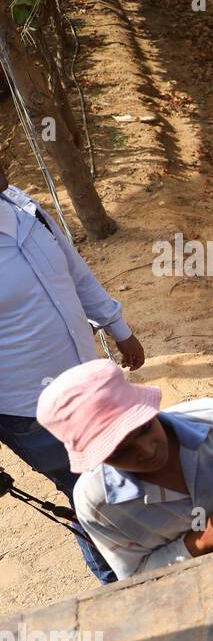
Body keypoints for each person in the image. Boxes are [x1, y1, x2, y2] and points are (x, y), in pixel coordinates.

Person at [0, 164, 145, 584]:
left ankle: (151, 560)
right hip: (31, 411)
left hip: (92, 382)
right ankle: (118, 584)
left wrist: (118, 327)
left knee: (127, 468)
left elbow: (75, 274)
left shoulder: (25, 210)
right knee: (87, 492)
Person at [36, 359, 213, 582]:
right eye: (119, 452)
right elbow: (134, 577)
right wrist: (198, 543)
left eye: (144, 428)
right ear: (98, 458)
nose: (146, 450)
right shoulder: (97, 505)